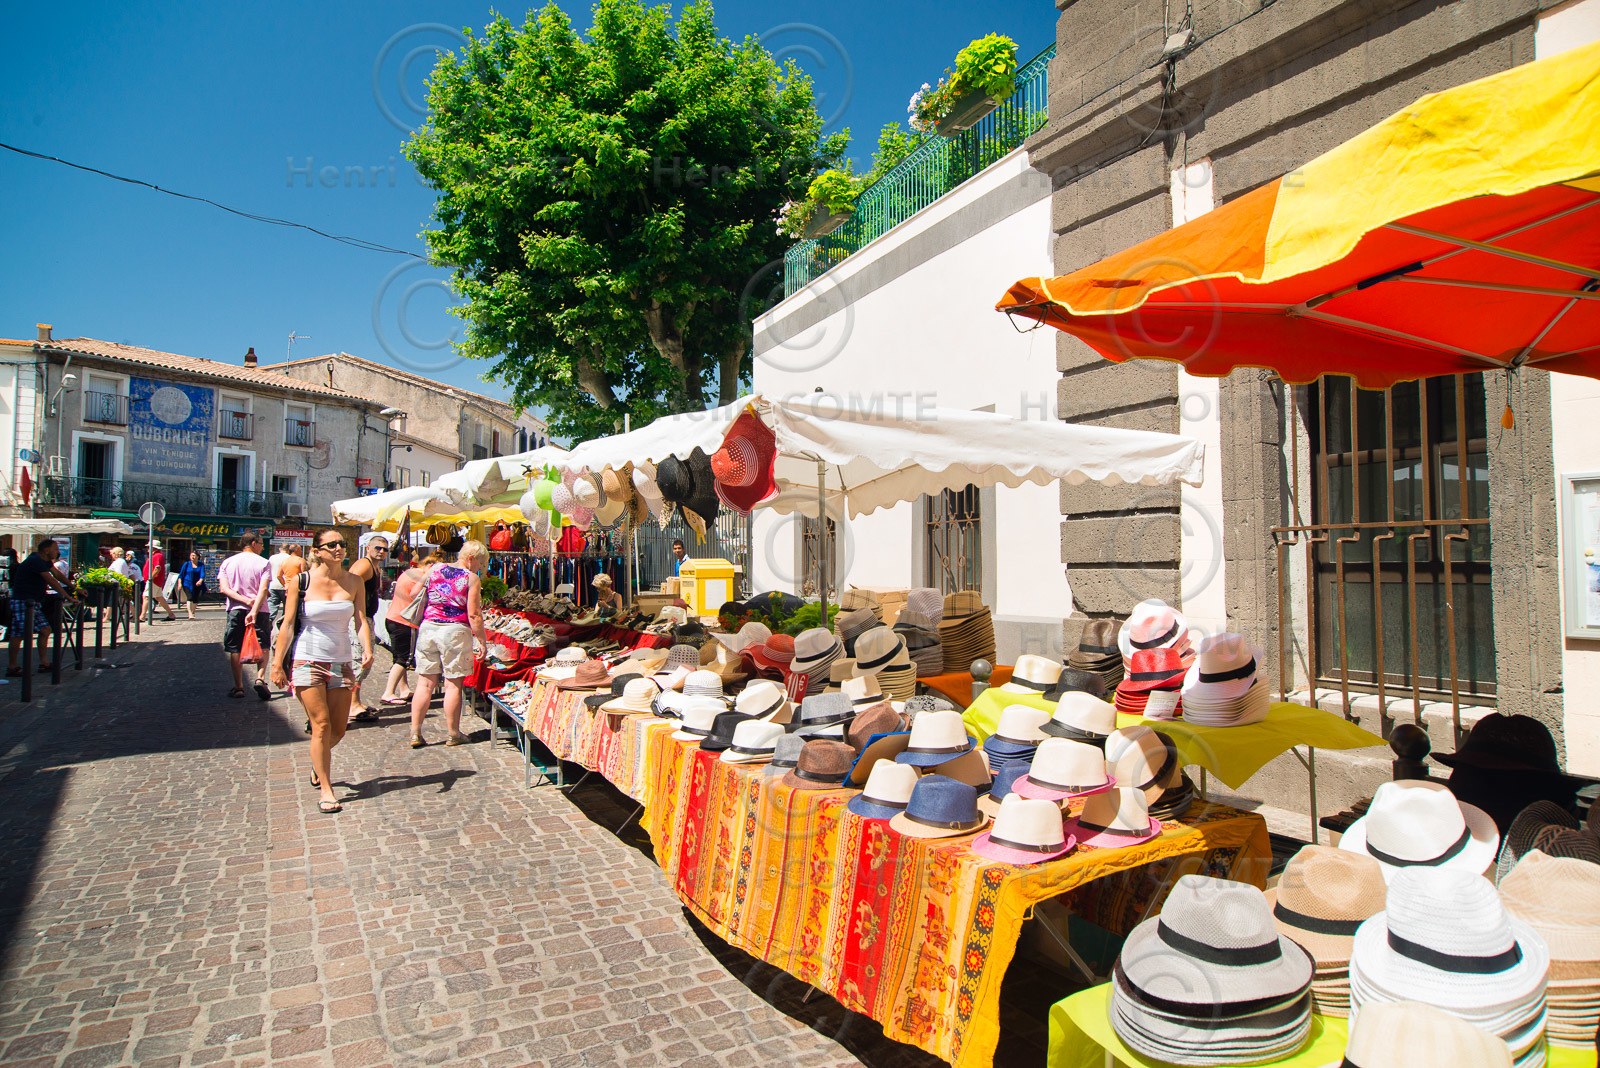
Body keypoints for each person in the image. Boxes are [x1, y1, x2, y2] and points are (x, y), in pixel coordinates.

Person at [271, 528, 372, 814]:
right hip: (308, 659)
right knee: (322, 725)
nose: (338, 549)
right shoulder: (300, 582)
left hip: (341, 661)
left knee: (339, 729)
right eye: (331, 545)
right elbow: (288, 625)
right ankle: (327, 789)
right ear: (317, 551)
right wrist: (277, 664)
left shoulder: (354, 581)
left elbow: (361, 619)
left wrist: (367, 648)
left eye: (341, 544)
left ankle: (318, 763)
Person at [409, 539, 487, 749]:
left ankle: (415, 733)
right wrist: (481, 640)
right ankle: (453, 733)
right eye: (480, 563)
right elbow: (474, 614)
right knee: (453, 683)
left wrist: (438, 597)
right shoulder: (471, 578)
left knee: (424, 683)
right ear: (471, 559)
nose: (480, 567)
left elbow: (413, 593)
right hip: (454, 631)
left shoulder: (435, 568)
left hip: (428, 628)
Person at [218, 531, 273, 699]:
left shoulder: (228, 562)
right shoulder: (263, 562)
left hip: (235, 609)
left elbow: (224, 589)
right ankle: (260, 678)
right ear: (254, 543)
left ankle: (239, 686)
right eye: (262, 544)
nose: (263, 547)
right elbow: (263, 590)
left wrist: (244, 600)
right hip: (260, 609)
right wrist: (254, 607)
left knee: (234, 647)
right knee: (263, 644)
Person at [7, 538, 69, 675]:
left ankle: (44, 663)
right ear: (46, 550)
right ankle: (12, 667)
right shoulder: (35, 561)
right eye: (55, 549)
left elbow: (57, 574)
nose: (57, 552)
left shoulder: (44, 561)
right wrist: (68, 596)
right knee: (19, 634)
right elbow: (51, 580)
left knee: (45, 629)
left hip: (33, 602)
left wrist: (73, 587)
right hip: (22, 601)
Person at [379, 550, 432, 707]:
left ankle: (404, 689)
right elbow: (415, 594)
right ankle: (388, 692)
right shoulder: (421, 577)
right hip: (405, 621)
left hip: (392, 617)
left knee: (398, 656)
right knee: (404, 659)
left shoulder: (408, 572)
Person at [346, 533, 387, 722]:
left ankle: (355, 701)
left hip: (364, 617)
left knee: (361, 661)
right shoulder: (364, 565)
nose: (381, 551)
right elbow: (348, 585)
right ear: (368, 548)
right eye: (378, 548)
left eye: (385, 549)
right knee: (359, 660)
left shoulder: (374, 566)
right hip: (358, 619)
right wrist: (355, 612)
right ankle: (351, 705)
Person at [141, 539, 177, 622]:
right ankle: (171, 614)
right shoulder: (154, 556)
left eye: (149, 547)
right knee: (158, 597)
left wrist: (151, 578)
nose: (147, 548)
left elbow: (157, 568)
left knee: (146, 597)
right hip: (155, 580)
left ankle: (142, 617)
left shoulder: (157, 556)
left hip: (154, 580)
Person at [178, 551, 206, 620]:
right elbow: (181, 575)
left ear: (197, 557)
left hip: (197, 584)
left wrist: (200, 580)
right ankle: (190, 613)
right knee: (189, 597)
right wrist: (180, 583)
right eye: (191, 556)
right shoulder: (186, 564)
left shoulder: (200, 565)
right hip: (187, 583)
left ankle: (192, 612)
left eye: (194, 555)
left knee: (195, 599)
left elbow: (202, 574)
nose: (192, 557)